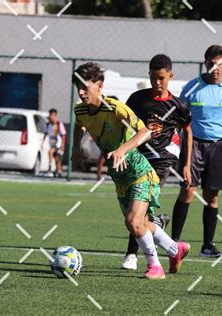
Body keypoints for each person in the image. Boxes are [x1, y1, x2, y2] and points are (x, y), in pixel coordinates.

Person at [72, 62, 190, 279]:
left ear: (99, 86)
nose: (80, 92)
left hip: (139, 170)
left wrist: (122, 149)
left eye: (84, 87)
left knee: (133, 222)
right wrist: (75, 151)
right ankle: (175, 249)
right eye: (77, 87)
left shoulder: (116, 108)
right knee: (142, 224)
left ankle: (155, 266)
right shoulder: (79, 109)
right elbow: (80, 126)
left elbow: (145, 131)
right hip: (120, 175)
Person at [170, 45, 222, 257]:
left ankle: (207, 245)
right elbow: (178, 119)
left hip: (220, 147)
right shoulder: (191, 88)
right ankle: (173, 243)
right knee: (187, 191)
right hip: (193, 145)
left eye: (219, 64)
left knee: (212, 196)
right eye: (211, 63)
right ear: (205, 64)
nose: (215, 68)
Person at [120, 54, 193, 270]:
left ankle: (133, 256)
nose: (157, 82)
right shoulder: (137, 99)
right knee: (137, 208)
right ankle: (168, 240)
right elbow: (124, 123)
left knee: (138, 202)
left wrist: (186, 164)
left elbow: (188, 132)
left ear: (171, 75)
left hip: (164, 158)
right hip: (140, 158)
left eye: (161, 78)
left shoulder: (178, 105)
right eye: (153, 78)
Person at [45, 109, 66, 177]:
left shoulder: (59, 124)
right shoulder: (48, 125)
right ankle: (58, 171)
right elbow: (46, 133)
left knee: (50, 152)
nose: (52, 117)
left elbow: (63, 135)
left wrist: (62, 145)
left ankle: (50, 169)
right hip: (51, 143)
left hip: (58, 143)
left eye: (53, 115)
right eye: (51, 115)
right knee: (57, 158)